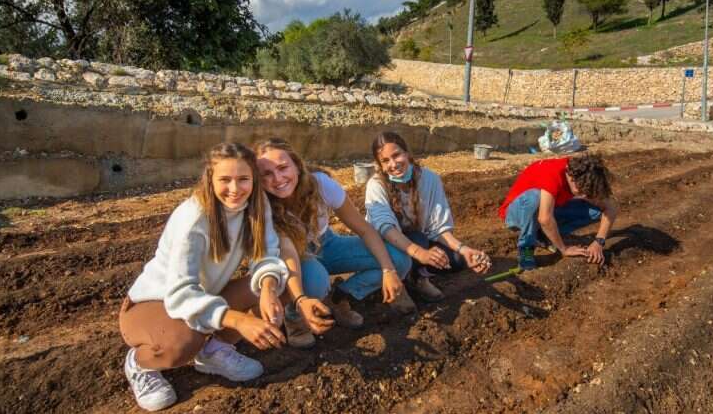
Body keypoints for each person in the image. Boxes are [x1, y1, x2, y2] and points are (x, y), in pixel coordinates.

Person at [119, 142, 290, 412]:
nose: (235, 189)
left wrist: (268, 288)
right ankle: (140, 363)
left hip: (204, 294)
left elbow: (266, 254)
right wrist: (240, 320)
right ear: (209, 179)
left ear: (254, 179)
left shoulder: (257, 206)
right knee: (184, 342)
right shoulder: (194, 218)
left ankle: (213, 351)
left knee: (282, 286)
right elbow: (181, 293)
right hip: (154, 303)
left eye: (243, 179)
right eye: (225, 180)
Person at [254, 139, 414, 349]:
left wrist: (388, 270)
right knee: (316, 281)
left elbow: (364, 229)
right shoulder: (262, 204)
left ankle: (341, 297)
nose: (277, 178)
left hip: (327, 243)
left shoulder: (320, 184)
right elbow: (287, 252)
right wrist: (300, 298)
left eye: (283, 168)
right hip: (295, 255)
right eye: (267, 174)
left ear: (297, 165)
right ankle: (294, 316)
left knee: (399, 259)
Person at [365, 132, 492, 302]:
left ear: (407, 153)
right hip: (387, 248)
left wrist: (463, 249)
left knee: (456, 260)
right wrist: (420, 253)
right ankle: (404, 282)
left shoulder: (429, 179)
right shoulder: (376, 185)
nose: (393, 164)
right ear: (380, 165)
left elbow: (438, 227)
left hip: (419, 242)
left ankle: (415, 276)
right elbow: (385, 228)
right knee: (419, 239)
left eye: (396, 155)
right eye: (386, 160)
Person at [498, 153, 619, 271]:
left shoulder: (583, 172)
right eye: (582, 192)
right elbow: (544, 219)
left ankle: (543, 235)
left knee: (596, 211)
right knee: (535, 198)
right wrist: (564, 249)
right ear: (573, 179)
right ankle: (526, 249)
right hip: (516, 214)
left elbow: (612, 207)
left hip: (547, 208)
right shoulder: (553, 174)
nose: (584, 196)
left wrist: (599, 242)